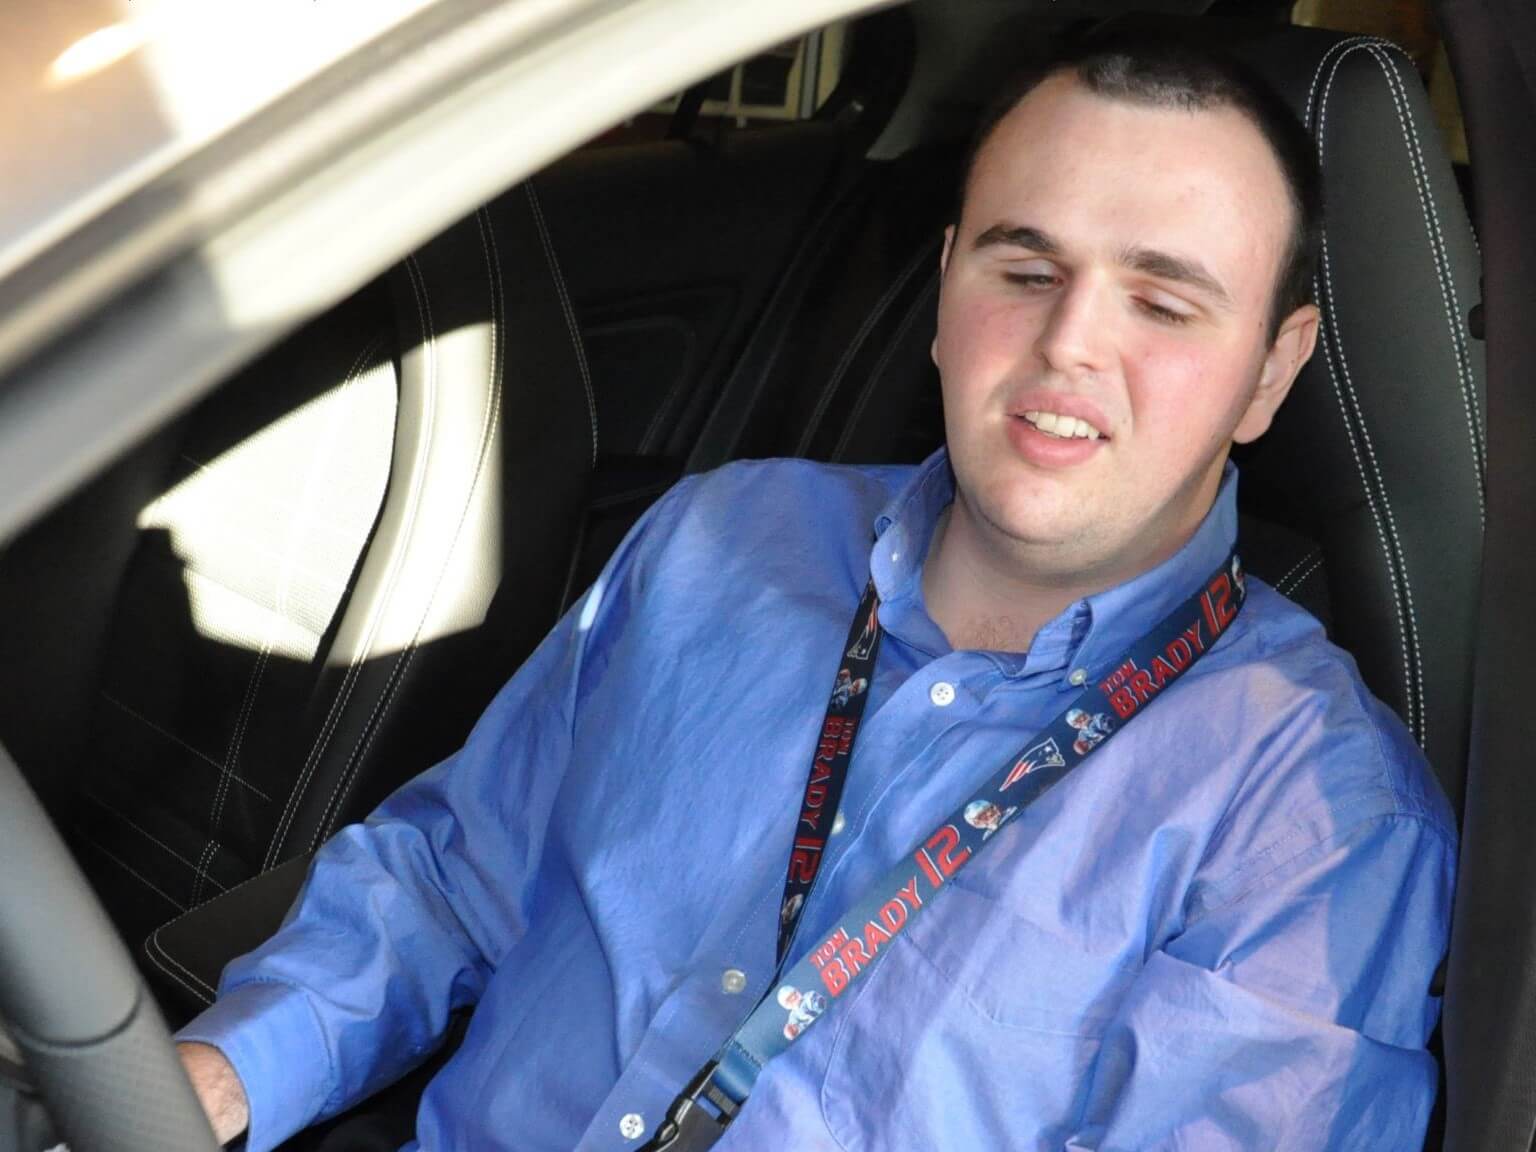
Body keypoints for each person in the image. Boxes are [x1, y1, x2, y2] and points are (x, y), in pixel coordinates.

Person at [175, 32, 1456, 1152]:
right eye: (1023, 270)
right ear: (949, 291)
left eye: (1164, 302)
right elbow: (456, 878)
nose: (1070, 342)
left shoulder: (1315, 820)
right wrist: (216, 1076)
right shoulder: (721, 540)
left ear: (1273, 371)